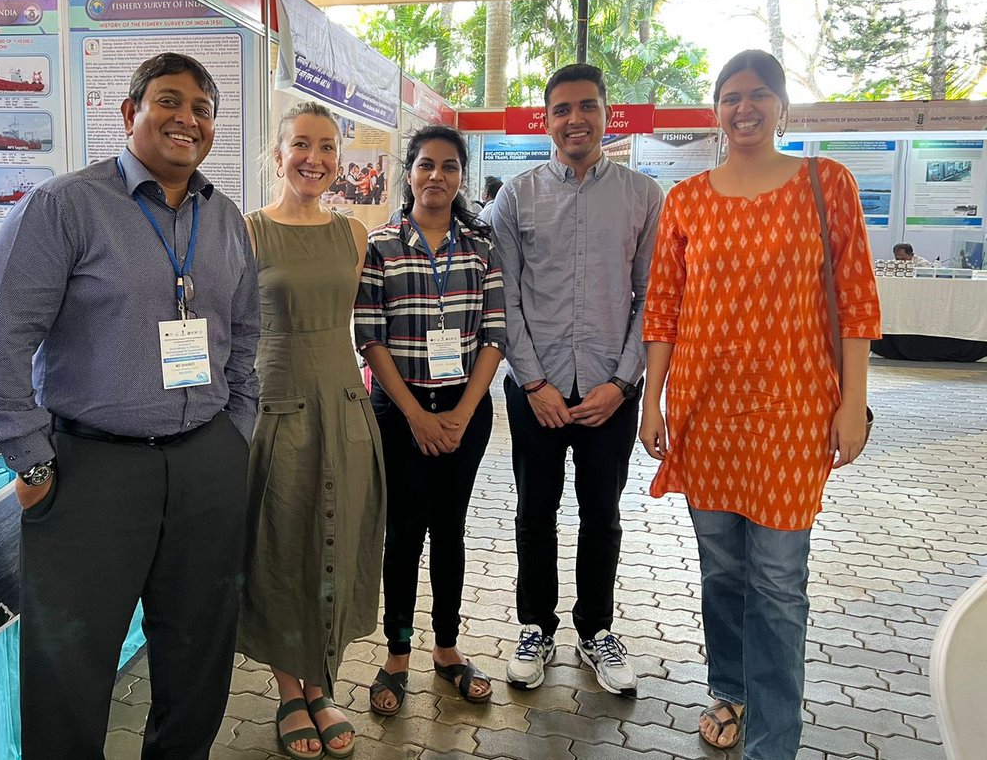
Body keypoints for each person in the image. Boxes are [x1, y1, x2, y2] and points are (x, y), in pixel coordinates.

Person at [0, 52, 259, 760]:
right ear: (131, 114)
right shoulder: (66, 206)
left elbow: (244, 334)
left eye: (203, 108)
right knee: (69, 670)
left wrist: (236, 431)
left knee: (199, 657)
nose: (187, 118)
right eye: (169, 100)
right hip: (90, 469)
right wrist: (32, 462)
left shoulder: (226, 220)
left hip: (205, 464)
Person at [640, 49, 880, 758]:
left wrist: (853, 403)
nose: (744, 108)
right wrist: (652, 404)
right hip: (705, 415)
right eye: (730, 97)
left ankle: (773, 740)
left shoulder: (824, 183)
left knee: (777, 582)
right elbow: (664, 309)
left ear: (782, 106)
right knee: (721, 569)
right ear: (716, 111)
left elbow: (857, 300)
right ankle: (733, 691)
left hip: (794, 412)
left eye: (759, 95)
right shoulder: (686, 200)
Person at [492, 63, 663, 696]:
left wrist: (622, 383)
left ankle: (596, 630)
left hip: (609, 391)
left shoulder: (645, 196)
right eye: (562, 108)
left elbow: (652, 297)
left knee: (602, 514)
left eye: (587, 106)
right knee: (535, 512)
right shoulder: (517, 195)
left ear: (607, 113)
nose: (575, 119)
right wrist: (533, 383)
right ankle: (535, 626)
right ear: (547, 119)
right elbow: (502, 296)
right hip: (535, 391)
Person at [237, 102, 384, 760]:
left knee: (341, 542)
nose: (314, 159)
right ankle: (289, 689)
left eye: (326, 147)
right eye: (301, 145)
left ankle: (322, 682)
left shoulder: (353, 234)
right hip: (278, 407)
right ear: (277, 154)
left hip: (345, 407)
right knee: (281, 548)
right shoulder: (249, 232)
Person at [355, 125, 506, 716]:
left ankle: (447, 648)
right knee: (404, 533)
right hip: (400, 413)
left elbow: (494, 334)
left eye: (448, 166)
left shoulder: (482, 245)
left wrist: (462, 415)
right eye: (425, 165)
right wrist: (416, 415)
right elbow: (370, 336)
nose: (436, 176)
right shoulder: (381, 244)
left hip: (466, 413)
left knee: (451, 532)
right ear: (409, 173)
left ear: (461, 176)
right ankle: (396, 655)